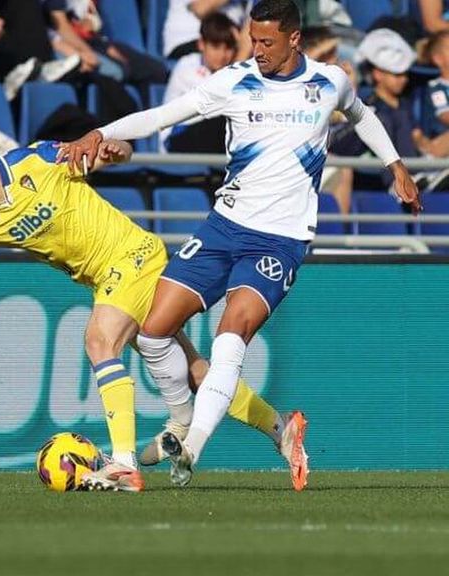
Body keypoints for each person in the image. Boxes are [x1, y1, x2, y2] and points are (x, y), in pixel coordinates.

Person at [58, 0, 421, 489]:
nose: (258, 50)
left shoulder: (329, 81)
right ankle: (186, 420)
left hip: (280, 239)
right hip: (222, 228)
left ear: (295, 39)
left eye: (267, 42)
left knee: (229, 339)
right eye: (254, 40)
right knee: (152, 332)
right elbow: (164, 116)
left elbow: (362, 114)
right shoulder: (234, 81)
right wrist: (102, 130)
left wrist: (395, 163)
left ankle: (191, 449)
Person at [0, 136, 306, 493]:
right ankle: (280, 428)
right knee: (194, 369)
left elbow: (116, 150)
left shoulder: (38, 161)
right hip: (111, 277)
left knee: (98, 340)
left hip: (133, 255)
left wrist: (116, 150)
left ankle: (124, 464)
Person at [330, 29, 421, 209]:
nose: (403, 80)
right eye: (396, 74)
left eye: (404, 75)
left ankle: (413, 177)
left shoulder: (404, 106)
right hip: (350, 154)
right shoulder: (367, 103)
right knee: (382, 120)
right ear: (378, 74)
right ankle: (396, 184)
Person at [160, 12, 239, 153]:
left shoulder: (230, 71)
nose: (222, 55)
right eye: (215, 46)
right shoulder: (186, 66)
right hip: (178, 137)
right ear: (201, 44)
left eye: (228, 48)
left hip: (213, 137)